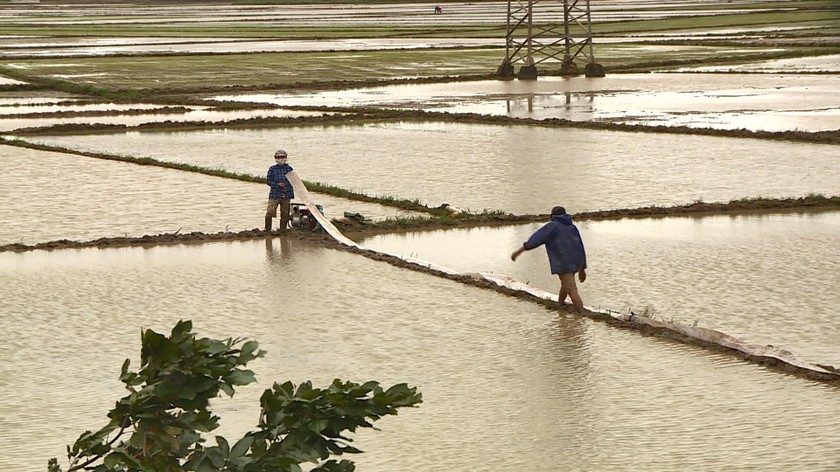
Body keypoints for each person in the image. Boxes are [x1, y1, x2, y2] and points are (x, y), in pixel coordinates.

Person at [511, 206, 587, 313]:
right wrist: (582, 267)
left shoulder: (552, 226)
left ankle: (582, 316)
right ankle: (560, 305)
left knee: (571, 288)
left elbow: (536, 239)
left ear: (551, 216)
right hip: (575, 261)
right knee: (565, 284)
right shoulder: (572, 227)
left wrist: (518, 252)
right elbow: (580, 246)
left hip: (563, 262)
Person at [265, 149, 295, 231]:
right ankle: (267, 230)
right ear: (275, 158)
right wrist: (277, 185)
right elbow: (268, 181)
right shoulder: (272, 169)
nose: (281, 159)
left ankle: (283, 230)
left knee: (285, 214)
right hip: (274, 194)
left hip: (287, 194)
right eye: (278, 157)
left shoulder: (289, 169)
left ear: (286, 158)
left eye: (283, 157)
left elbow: (294, 181)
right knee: (270, 212)